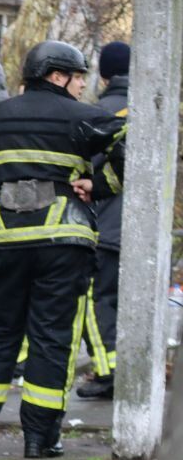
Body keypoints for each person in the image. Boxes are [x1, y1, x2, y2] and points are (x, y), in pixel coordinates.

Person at [0, 41, 124, 459]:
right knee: (52, 339)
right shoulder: (86, 117)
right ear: (57, 76)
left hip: (3, 243)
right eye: (77, 78)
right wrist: (100, 184)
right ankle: (40, 439)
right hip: (63, 244)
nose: (81, 86)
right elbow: (135, 143)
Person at [77, 41, 129, 401]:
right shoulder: (158, 108)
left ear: (105, 74)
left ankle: (109, 371)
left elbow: (83, 170)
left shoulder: (97, 114)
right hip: (142, 231)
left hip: (107, 225)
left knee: (98, 300)